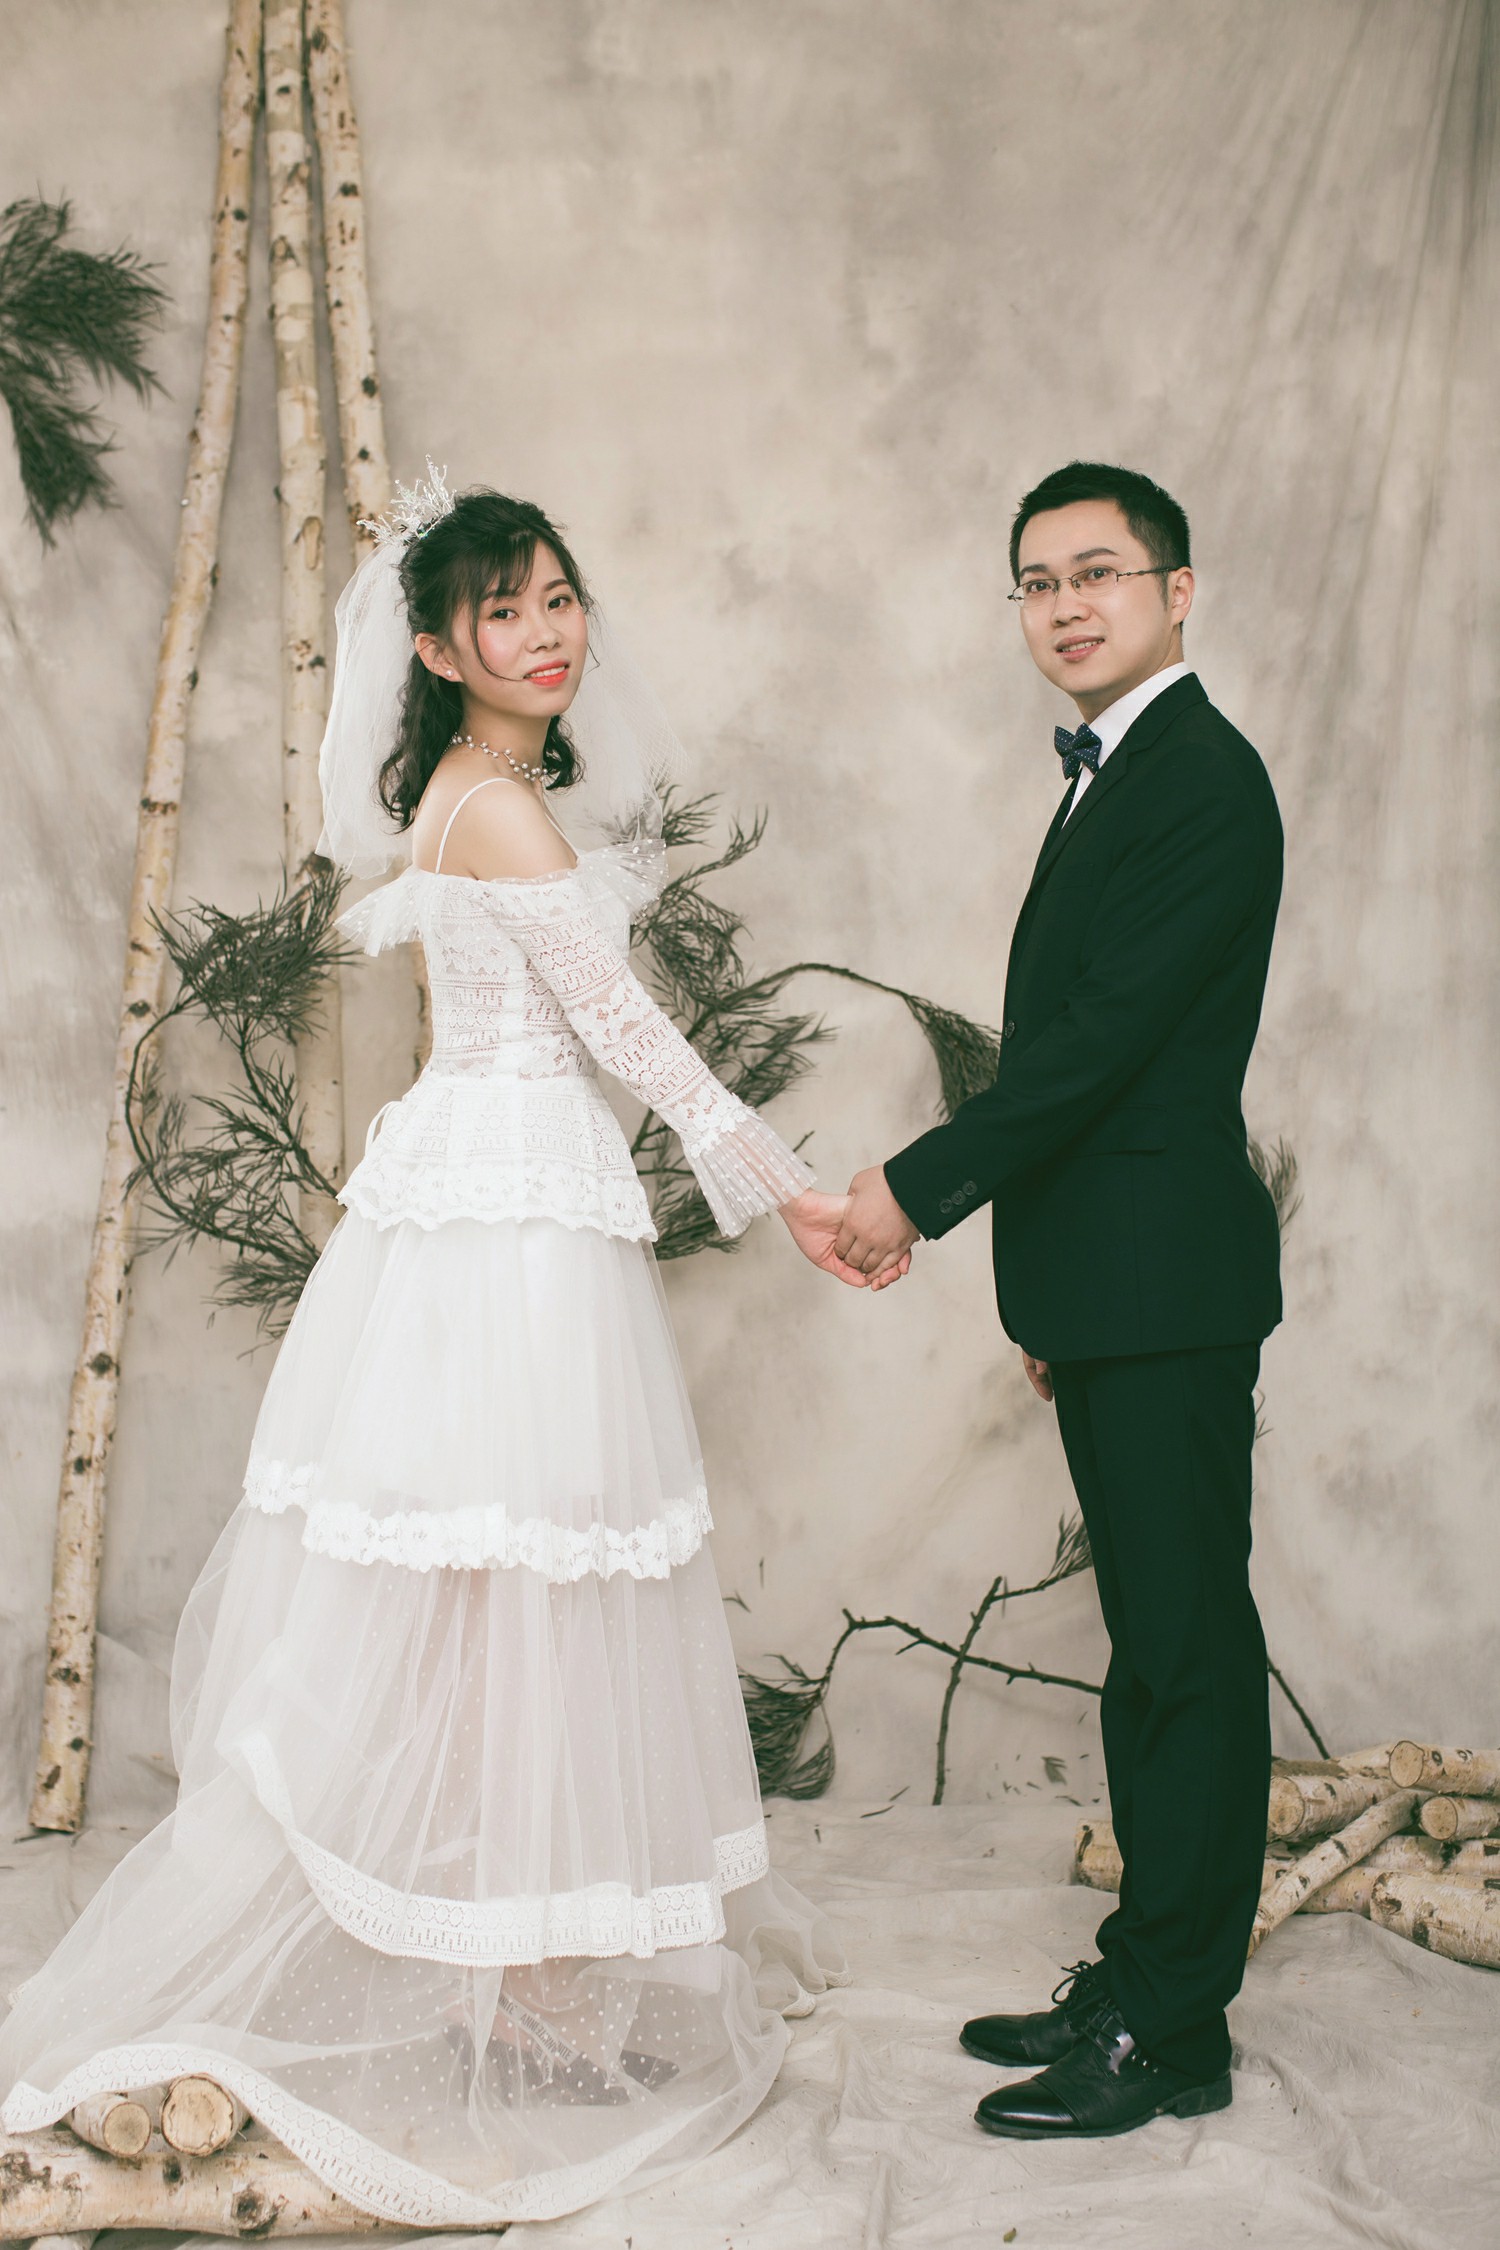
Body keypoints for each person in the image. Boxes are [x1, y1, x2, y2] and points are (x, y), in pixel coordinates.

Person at [0, 477, 901, 2224]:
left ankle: (527, 1969)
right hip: (507, 1222)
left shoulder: (485, 794)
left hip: (505, 1188)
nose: (547, 633)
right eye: (504, 610)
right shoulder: (493, 809)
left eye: (559, 597)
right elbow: (621, 1025)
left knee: (518, 1593)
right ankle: (524, 1981)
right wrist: (785, 1186)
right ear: (434, 646)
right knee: (516, 1587)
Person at [835, 460, 1284, 2139]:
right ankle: (1143, 1967)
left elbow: (1093, 1052)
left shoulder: (1204, 779)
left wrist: (913, 1188)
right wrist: (1052, 1292)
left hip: (1170, 1281)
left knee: (1187, 1650)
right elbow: (1096, 1055)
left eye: (1099, 570)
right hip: (1116, 1282)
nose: (1066, 604)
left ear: (1179, 590)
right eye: (1037, 580)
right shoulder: (1120, 770)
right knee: (1148, 1654)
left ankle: (1175, 2031)